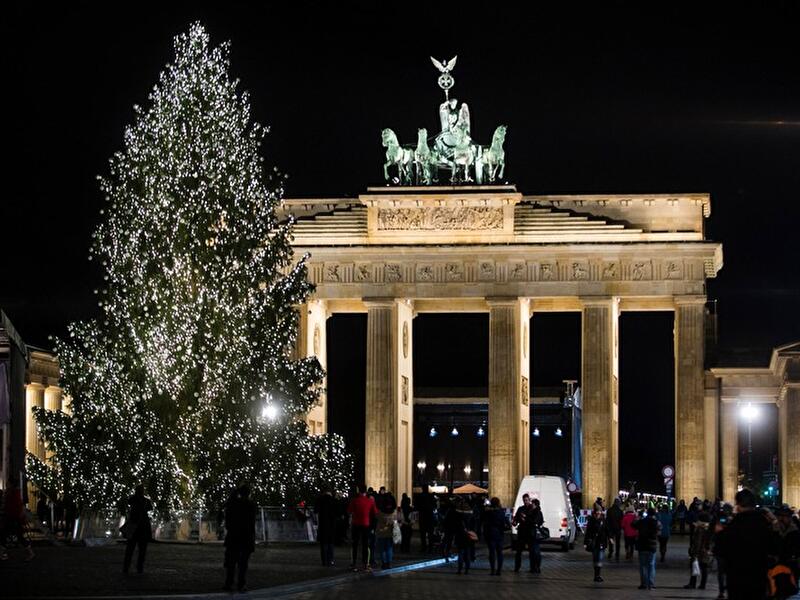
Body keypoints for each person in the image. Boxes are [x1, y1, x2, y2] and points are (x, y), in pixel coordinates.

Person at [716, 489, 778, 600]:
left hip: (737, 579)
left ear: (738, 505)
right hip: (758, 578)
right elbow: (774, 548)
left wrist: (719, 533)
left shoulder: (734, 525)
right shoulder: (763, 524)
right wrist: (774, 523)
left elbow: (721, 550)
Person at [223, 484, 257, 592]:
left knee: (231, 562)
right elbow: (252, 523)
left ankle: (229, 583)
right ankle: (241, 584)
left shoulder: (233, 504)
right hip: (246, 537)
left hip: (234, 536)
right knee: (243, 563)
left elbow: (228, 517)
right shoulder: (250, 505)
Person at [0, 480, 34, 561]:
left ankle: (30, 553)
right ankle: (3, 553)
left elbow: (16, 507)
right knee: (5, 535)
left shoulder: (13, 494)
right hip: (11, 518)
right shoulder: (11, 493)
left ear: (11, 485)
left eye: (8, 484)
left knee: (14, 536)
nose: (6, 485)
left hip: (14, 519)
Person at [122, 484, 152, 574]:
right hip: (141, 527)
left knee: (130, 549)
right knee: (141, 550)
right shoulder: (145, 501)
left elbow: (130, 503)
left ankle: (127, 567)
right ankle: (139, 567)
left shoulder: (133, 500)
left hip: (135, 526)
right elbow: (149, 508)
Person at [347, 484, 378, 571]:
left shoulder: (354, 500)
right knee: (365, 545)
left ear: (358, 490)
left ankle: (353, 564)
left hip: (356, 524)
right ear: (366, 491)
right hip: (366, 524)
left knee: (355, 544)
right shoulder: (370, 501)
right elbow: (375, 512)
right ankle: (366, 564)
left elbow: (349, 511)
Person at [773, 505, 800, 599]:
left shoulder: (795, 531)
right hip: (776, 566)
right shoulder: (773, 530)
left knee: (789, 590)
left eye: (785, 516)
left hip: (790, 565)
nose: (782, 518)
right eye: (780, 516)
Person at [512, 493, 543, 573]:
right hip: (522, 532)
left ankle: (533, 568)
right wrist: (515, 521)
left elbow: (535, 519)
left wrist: (525, 518)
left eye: (527, 500)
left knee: (532, 552)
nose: (526, 502)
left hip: (530, 532)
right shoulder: (520, 509)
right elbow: (516, 518)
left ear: (529, 500)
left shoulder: (533, 508)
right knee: (519, 551)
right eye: (524, 500)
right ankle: (517, 567)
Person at [633, 507, 661, 590]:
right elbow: (659, 531)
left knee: (643, 566)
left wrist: (638, 516)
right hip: (652, 546)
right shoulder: (656, 522)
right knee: (651, 565)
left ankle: (643, 584)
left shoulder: (642, 521)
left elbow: (633, 524)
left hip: (642, 546)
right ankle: (651, 584)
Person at [685, 511, 713, 589]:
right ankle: (703, 584)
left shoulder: (700, 529)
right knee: (705, 568)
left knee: (694, 565)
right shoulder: (709, 528)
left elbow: (697, 541)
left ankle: (692, 583)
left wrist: (694, 552)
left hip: (700, 551)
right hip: (706, 551)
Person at [483, 496, 509, 576]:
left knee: (492, 553)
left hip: (490, 534)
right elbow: (506, 522)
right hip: (499, 534)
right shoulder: (501, 512)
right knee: (499, 553)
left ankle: (492, 570)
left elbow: (485, 523)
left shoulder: (488, 512)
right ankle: (499, 570)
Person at [712, 503, 733, 600]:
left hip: (725, 549)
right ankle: (722, 591)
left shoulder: (733, 519)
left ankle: (724, 591)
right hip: (722, 550)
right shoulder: (720, 518)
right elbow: (715, 530)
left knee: (724, 573)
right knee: (722, 572)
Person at [584, 507, 610, 582]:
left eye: (600, 511)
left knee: (600, 559)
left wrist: (610, 537)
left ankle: (598, 575)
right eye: (597, 511)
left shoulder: (603, 520)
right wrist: (585, 542)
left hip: (602, 542)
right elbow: (588, 532)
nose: (598, 513)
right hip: (594, 543)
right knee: (595, 559)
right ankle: (596, 575)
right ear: (594, 512)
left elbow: (607, 530)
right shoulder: (592, 520)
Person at [314, 488, 337, 566]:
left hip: (323, 524)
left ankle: (324, 561)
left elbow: (316, 511)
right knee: (331, 543)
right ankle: (331, 560)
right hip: (331, 524)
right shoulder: (333, 500)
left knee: (324, 544)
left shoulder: (319, 499)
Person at [375, 497, 396, 569]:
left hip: (381, 533)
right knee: (389, 548)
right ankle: (389, 563)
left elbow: (375, 518)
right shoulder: (393, 512)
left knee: (382, 549)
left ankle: (384, 563)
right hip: (390, 533)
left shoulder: (380, 513)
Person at [417, 486, 435, 552]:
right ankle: (430, 548)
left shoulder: (420, 496)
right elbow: (434, 505)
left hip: (423, 517)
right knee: (430, 534)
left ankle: (424, 548)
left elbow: (417, 506)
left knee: (423, 534)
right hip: (429, 516)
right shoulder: (431, 496)